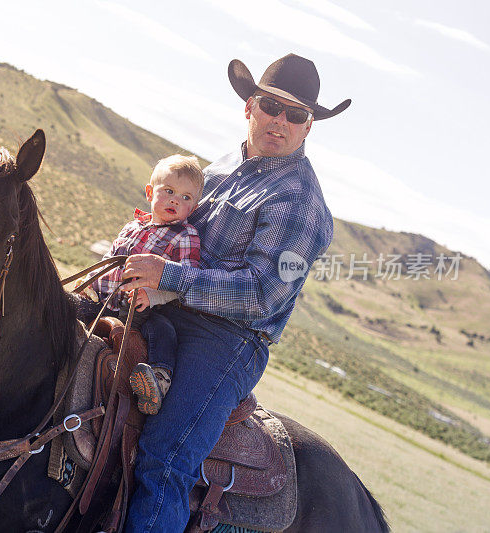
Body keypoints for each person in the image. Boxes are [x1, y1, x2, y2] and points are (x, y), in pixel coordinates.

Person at [120, 54, 350, 532]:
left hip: (227, 340)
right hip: (167, 306)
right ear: (250, 106)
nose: (280, 121)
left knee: (165, 460)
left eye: (297, 114)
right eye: (271, 105)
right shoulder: (219, 169)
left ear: (309, 127)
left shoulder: (301, 203)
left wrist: (169, 277)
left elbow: (261, 294)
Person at [77, 154, 204, 415]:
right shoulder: (133, 227)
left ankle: (157, 379)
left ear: (193, 208)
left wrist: (153, 294)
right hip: (104, 300)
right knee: (73, 308)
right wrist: (89, 282)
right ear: (150, 192)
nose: (175, 200)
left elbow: (186, 277)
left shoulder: (185, 236)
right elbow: (109, 260)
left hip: (144, 311)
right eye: (168, 191)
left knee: (163, 330)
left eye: (186, 197)